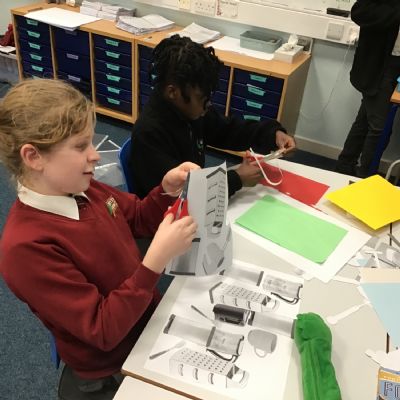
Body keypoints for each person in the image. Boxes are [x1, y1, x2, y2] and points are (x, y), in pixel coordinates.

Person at [0, 79, 198, 399]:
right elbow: (102, 331)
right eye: (81, 147)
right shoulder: (25, 248)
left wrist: (165, 190)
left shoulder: (81, 188)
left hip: (146, 324)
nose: (95, 156)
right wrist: (155, 262)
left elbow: (138, 217)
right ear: (33, 157)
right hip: (112, 367)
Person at [129, 35, 296, 199]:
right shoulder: (148, 133)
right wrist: (237, 178)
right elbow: (181, 192)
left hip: (195, 197)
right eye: (201, 98)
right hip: (167, 210)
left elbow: (229, 130)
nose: (208, 104)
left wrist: (272, 134)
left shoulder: (189, 112)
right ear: (173, 92)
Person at [335, 0, 400, 177]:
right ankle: (365, 177)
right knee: (380, 128)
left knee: (365, 119)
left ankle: (345, 164)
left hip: (395, 64)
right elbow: (359, 12)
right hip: (379, 65)